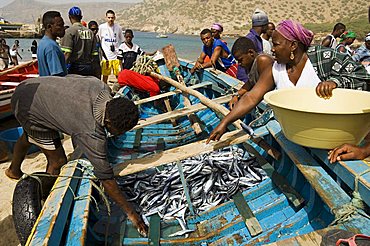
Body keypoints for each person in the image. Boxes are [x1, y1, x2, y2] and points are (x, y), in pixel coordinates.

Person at [5, 75, 148, 236]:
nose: (119, 134)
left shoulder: (101, 87)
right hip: (29, 106)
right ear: (108, 123)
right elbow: (106, 179)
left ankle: (13, 170)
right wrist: (131, 213)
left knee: (30, 136)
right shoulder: (91, 131)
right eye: (119, 132)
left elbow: (72, 78)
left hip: (32, 87)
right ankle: (46, 198)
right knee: (58, 161)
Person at [207, 20, 370, 143]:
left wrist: (335, 82)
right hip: (296, 135)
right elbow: (251, 97)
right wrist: (225, 122)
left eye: (276, 45)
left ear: (293, 46)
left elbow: (361, 75)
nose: (272, 49)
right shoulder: (275, 68)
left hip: (330, 136)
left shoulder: (321, 57)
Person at [228, 37, 274, 110]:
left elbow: (262, 89)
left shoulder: (263, 61)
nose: (239, 64)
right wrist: (236, 95)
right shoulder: (249, 64)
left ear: (251, 53)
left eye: (240, 60)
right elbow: (250, 83)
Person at [60, 6, 95, 76]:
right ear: (81, 17)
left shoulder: (69, 32)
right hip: (88, 67)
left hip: (75, 67)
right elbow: (94, 54)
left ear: (69, 17)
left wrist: (62, 69)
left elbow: (67, 53)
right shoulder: (90, 32)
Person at [237, 8, 269, 82]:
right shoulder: (251, 39)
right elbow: (244, 63)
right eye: (267, 25)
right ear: (263, 26)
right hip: (246, 79)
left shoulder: (257, 38)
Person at [37, 11, 67, 77]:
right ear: (49, 27)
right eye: (60, 25)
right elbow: (56, 75)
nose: (63, 28)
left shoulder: (42, 43)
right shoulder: (51, 47)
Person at [97, 10, 124, 83]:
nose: (110, 19)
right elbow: (98, 40)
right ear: (106, 18)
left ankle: (119, 90)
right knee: (105, 76)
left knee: (118, 76)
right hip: (106, 57)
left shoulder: (118, 27)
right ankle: (104, 90)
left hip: (116, 56)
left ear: (114, 18)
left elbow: (122, 40)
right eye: (109, 17)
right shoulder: (101, 27)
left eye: (112, 18)